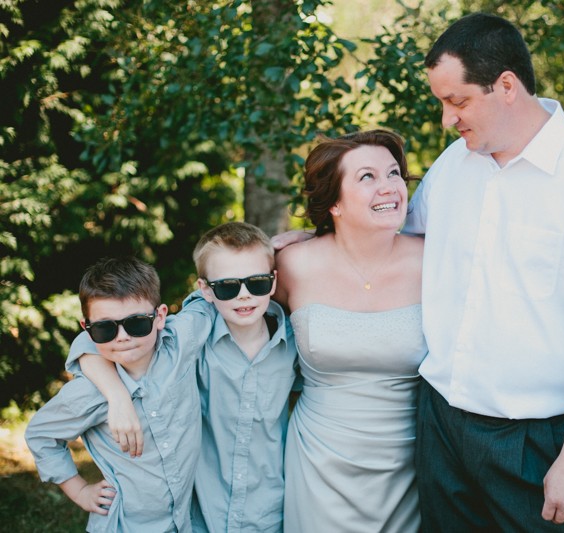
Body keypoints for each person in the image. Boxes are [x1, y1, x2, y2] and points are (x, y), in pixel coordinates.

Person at [403, 12, 564, 532]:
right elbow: (390, 240)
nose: (448, 119)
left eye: (458, 100)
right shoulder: (453, 165)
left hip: (535, 441)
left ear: (507, 86)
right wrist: (303, 243)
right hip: (441, 424)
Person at [66, 222, 298, 532]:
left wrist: (313, 236)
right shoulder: (189, 335)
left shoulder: (295, 339)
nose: (243, 296)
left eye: (256, 283)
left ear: (272, 281)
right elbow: (95, 339)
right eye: (228, 286)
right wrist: (117, 396)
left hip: (268, 506)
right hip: (201, 509)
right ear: (206, 289)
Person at [274, 129, 426, 532]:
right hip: (319, 464)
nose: (390, 187)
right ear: (334, 202)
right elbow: (219, 307)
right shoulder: (291, 265)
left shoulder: (435, 260)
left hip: (411, 465)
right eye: (367, 177)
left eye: (394, 174)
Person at [25, 256, 214, 532]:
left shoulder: (180, 343)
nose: (123, 336)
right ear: (88, 330)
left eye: (136, 323)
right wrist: (79, 491)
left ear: (160, 316)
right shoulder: (88, 391)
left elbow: (208, 296)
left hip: (185, 520)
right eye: (105, 328)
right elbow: (41, 434)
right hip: (126, 524)